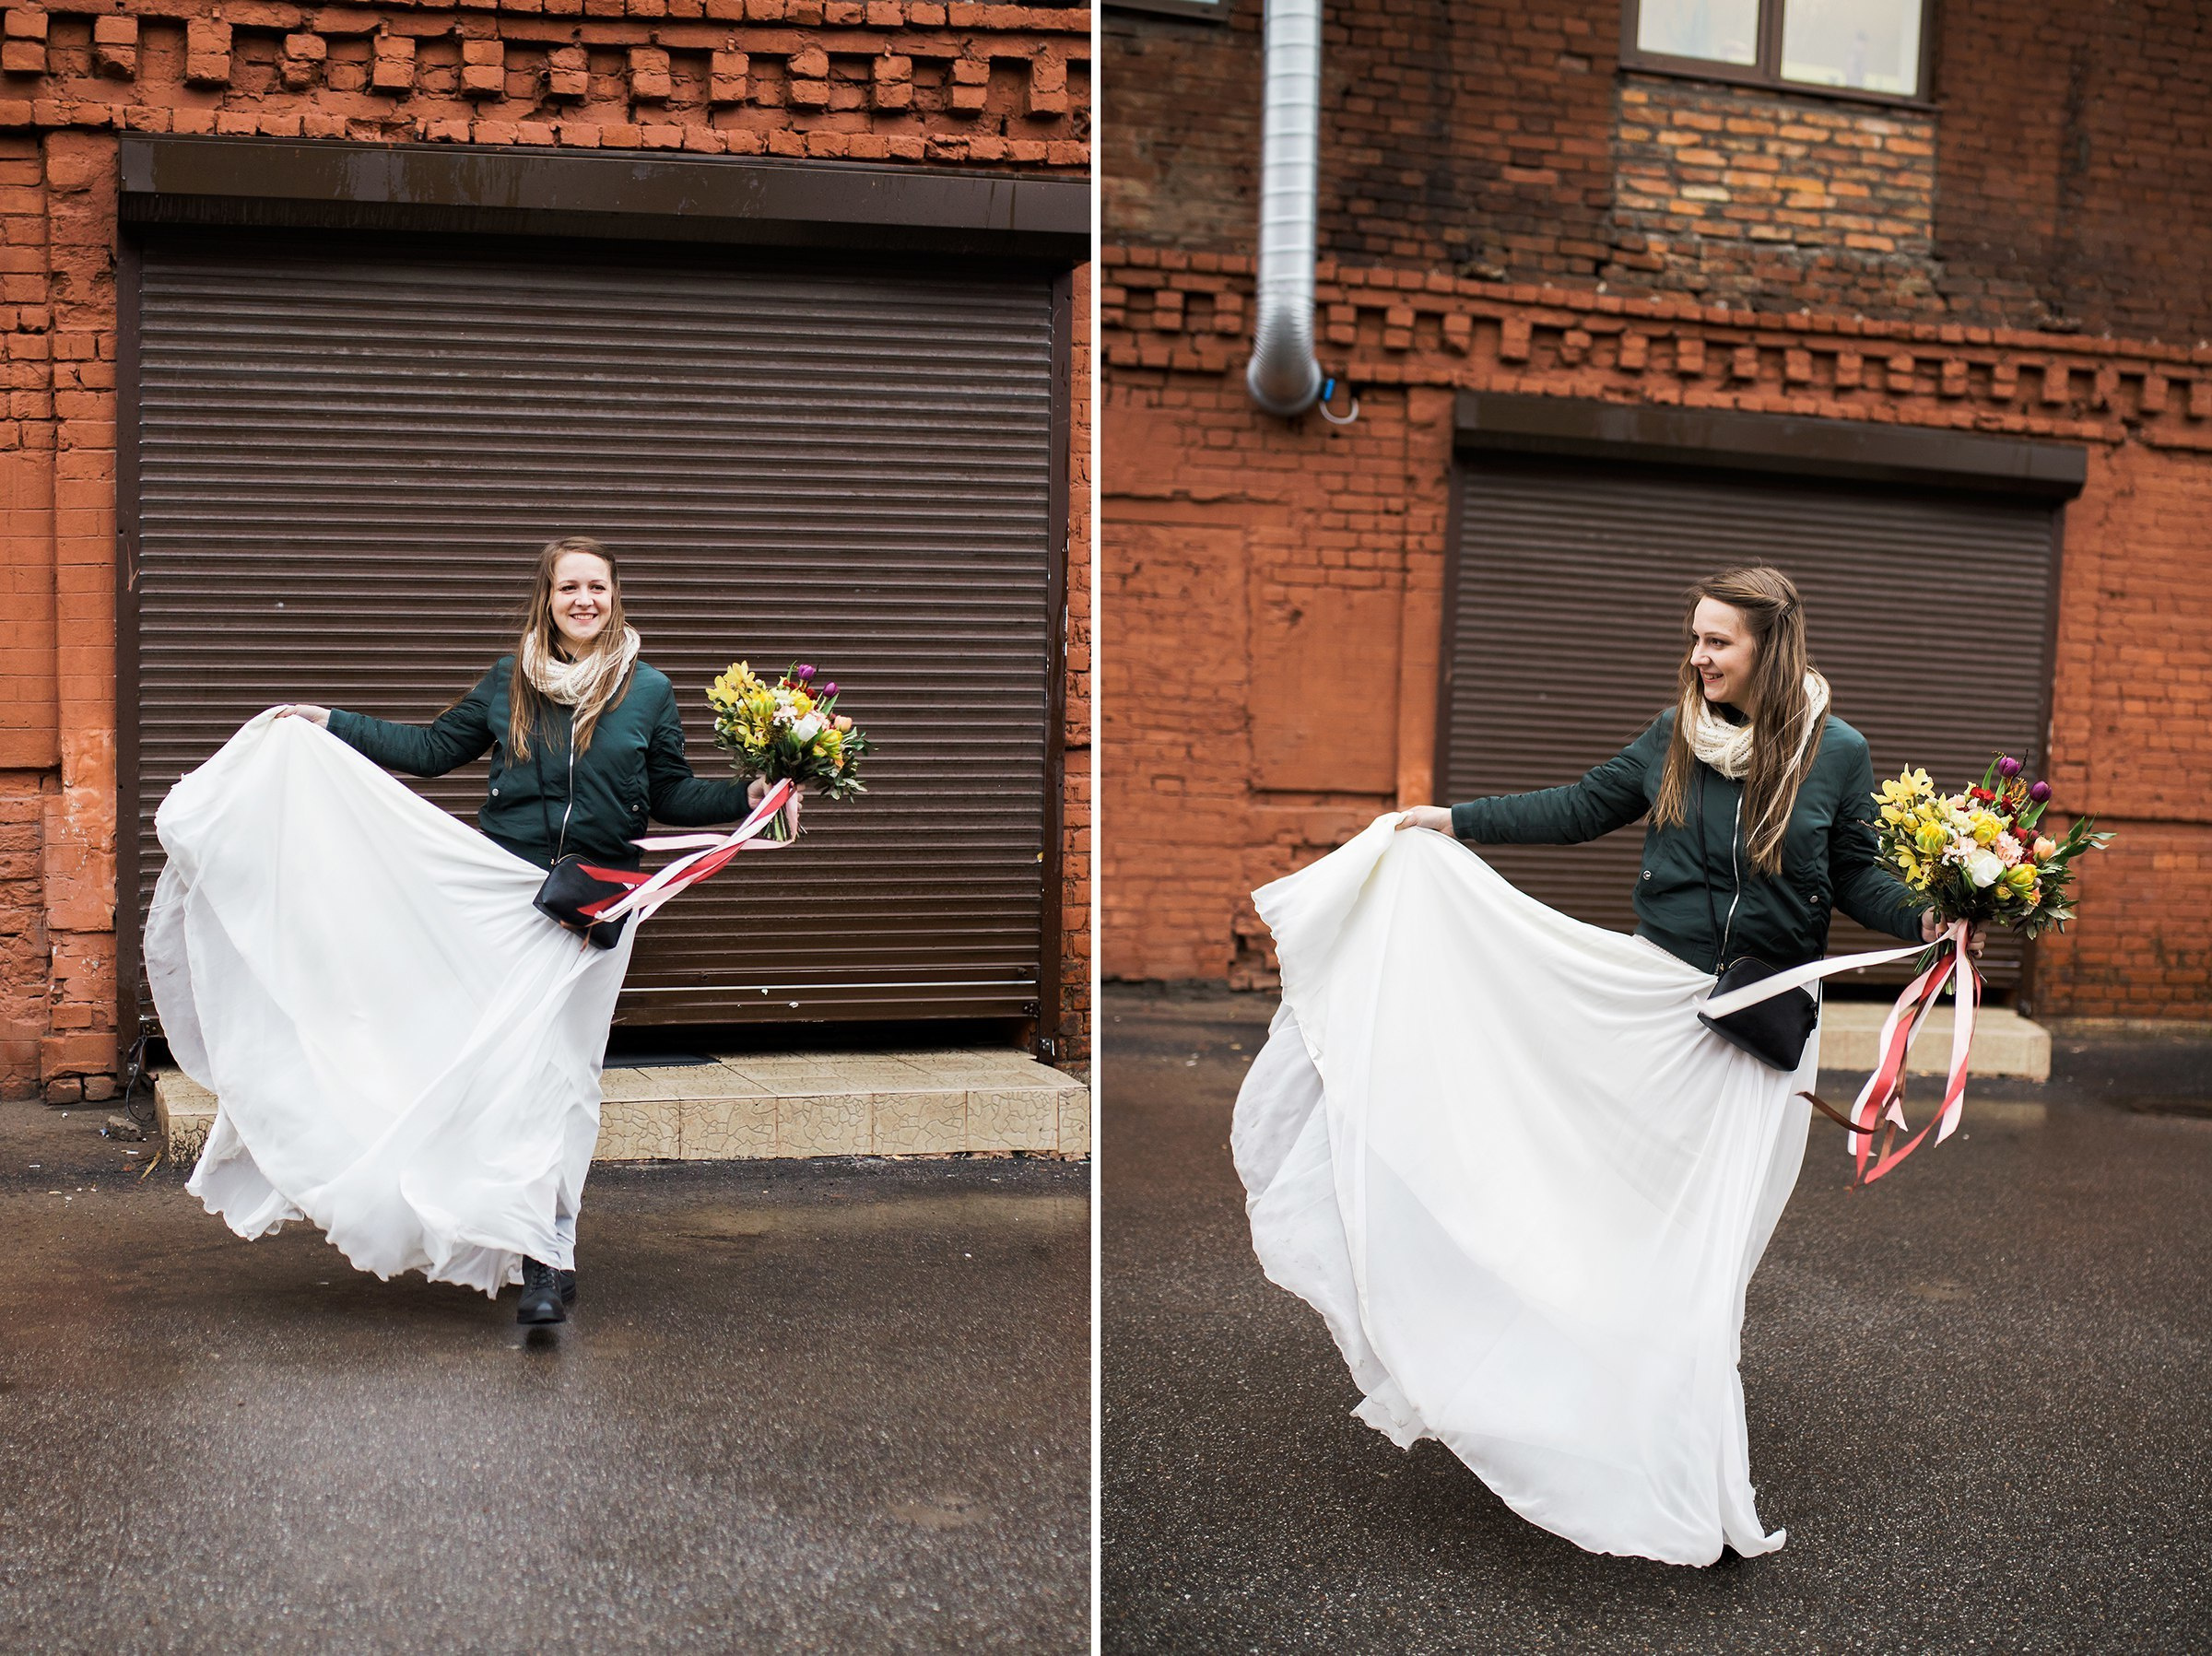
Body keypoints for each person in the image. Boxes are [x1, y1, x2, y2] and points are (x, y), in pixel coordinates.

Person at [1231, 565, 1982, 1566]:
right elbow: (1582, 807)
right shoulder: (1677, 733)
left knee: (1707, 1252)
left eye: (1719, 640)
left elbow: (1851, 873)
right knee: (1609, 1213)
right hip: (1647, 1004)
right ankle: (1565, 1408)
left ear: (1772, 645)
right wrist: (1452, 823)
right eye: (1696, 635)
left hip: (1757, 1024)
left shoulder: (1835, 753)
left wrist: (1923, 916)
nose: (1699, 654)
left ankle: (1678, 1451)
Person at [174, 534, 789, 1326]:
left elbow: (670, 792)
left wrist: (752, 795)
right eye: (569, 587)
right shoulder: (511, 682)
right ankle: (527, 1243)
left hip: (598, 905)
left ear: (615, 595)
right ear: (548, 597)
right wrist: (326, 721)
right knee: (510, 1076)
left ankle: (549, 1249)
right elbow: (432, 750)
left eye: (596, 587)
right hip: (508, 900)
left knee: (566, 1079)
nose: (584, 601)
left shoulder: (649, 692)